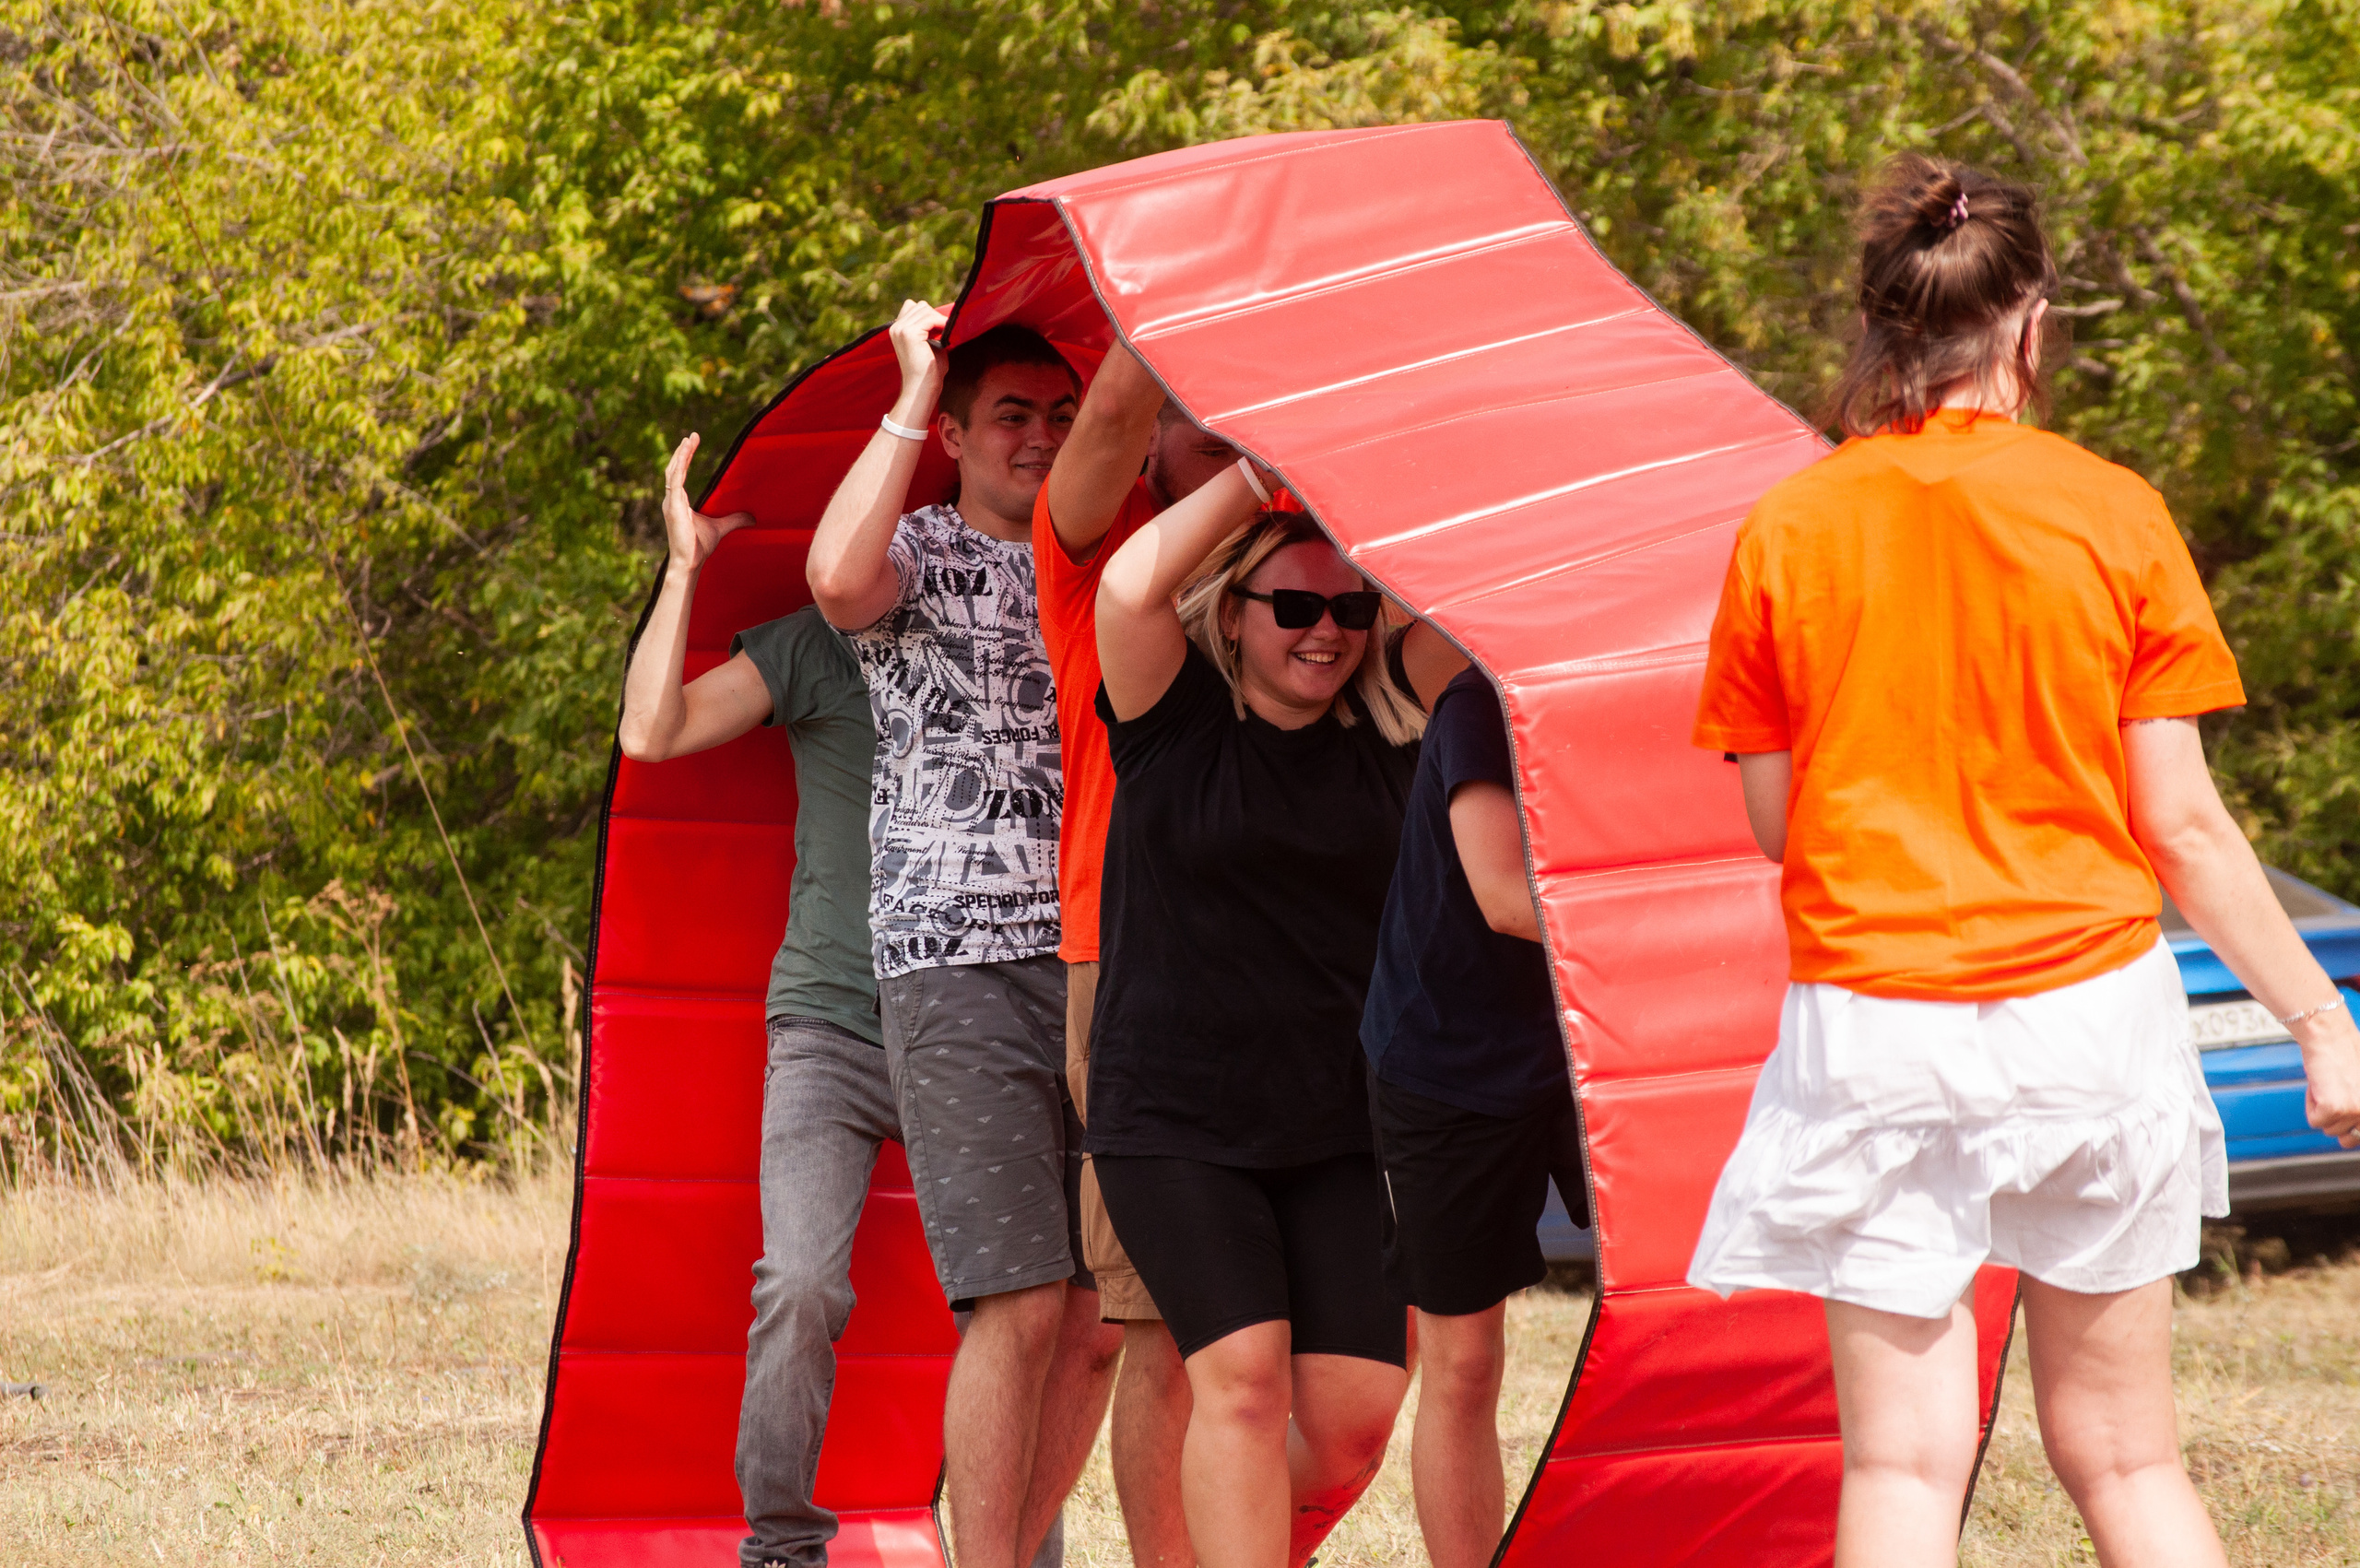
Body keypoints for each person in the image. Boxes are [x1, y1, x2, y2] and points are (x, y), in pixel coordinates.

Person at [1683, 154, 2360, 1568]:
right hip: (2087, 1017)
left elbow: (1774, 824)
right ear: (2032, 323)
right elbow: (2178, 823)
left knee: (1902, 1469)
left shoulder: (1789, 529)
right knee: (2125, 1457)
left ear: (1878, 325)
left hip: (1873, 1023)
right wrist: (2320, 1019)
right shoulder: (2113, 513)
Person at [1088, 460, 1466, 1568]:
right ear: (1235, 615)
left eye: (1348, 608)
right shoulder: (1170, 722)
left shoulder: (1394, 723)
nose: (1326, 631)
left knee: (1351, 1421)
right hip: (1175, 1120)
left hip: (1337, 1126)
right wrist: (1261, 472)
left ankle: (1219, 1540)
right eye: (1294, 608)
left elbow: (1475, 595)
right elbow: (1123, 591)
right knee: (1242, 1384)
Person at [807, 303, 1121, 1568]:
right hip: (955, 951)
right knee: (1024, 1297)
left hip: (1106, 956)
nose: (1040, 438)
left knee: (1106, 1316)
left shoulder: (1100, 555)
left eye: (1060, 415)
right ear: (955, 435)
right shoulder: (918, 549)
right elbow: (833, 578)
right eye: (1011, 416)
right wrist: (910, 384)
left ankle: (998, 1547)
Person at [613, 434, 905, 1568]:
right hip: (830, 1024)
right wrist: (683, 570)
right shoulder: (817, 649)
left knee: (1027, 1301)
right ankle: (782, 1547)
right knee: (797, 1285)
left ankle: (1017, 1545)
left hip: (972, 1016)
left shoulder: (1014, 636)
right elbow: (653, 732)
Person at [1031, 344, 1262, 1568]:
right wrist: (1188, 284)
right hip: (1127, 962)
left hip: (1289, 971)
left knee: (1271, 1333)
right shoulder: (1095, 554)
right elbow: (1116, 403)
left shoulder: (1306, 583)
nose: (1241, 453)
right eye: (1212, 427)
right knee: (1150, 1324)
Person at [1359, 667, 1587, 1568]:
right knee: (1464, 1359)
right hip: (1446, 1062)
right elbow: (1500, 894)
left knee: (1683, 1314)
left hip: (1590, 1042)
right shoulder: (1482, 701)